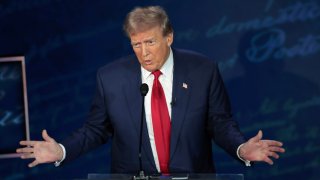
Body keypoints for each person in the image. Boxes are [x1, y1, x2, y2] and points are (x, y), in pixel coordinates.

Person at [16, 6, 285, 174]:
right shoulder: (110, 78)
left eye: (150, 42)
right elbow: (96, 129)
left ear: (169, 37)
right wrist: (62, 150)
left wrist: (240, 148)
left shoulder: (203, 70)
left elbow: (219, 123)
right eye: (136, 44)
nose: (143, 53)